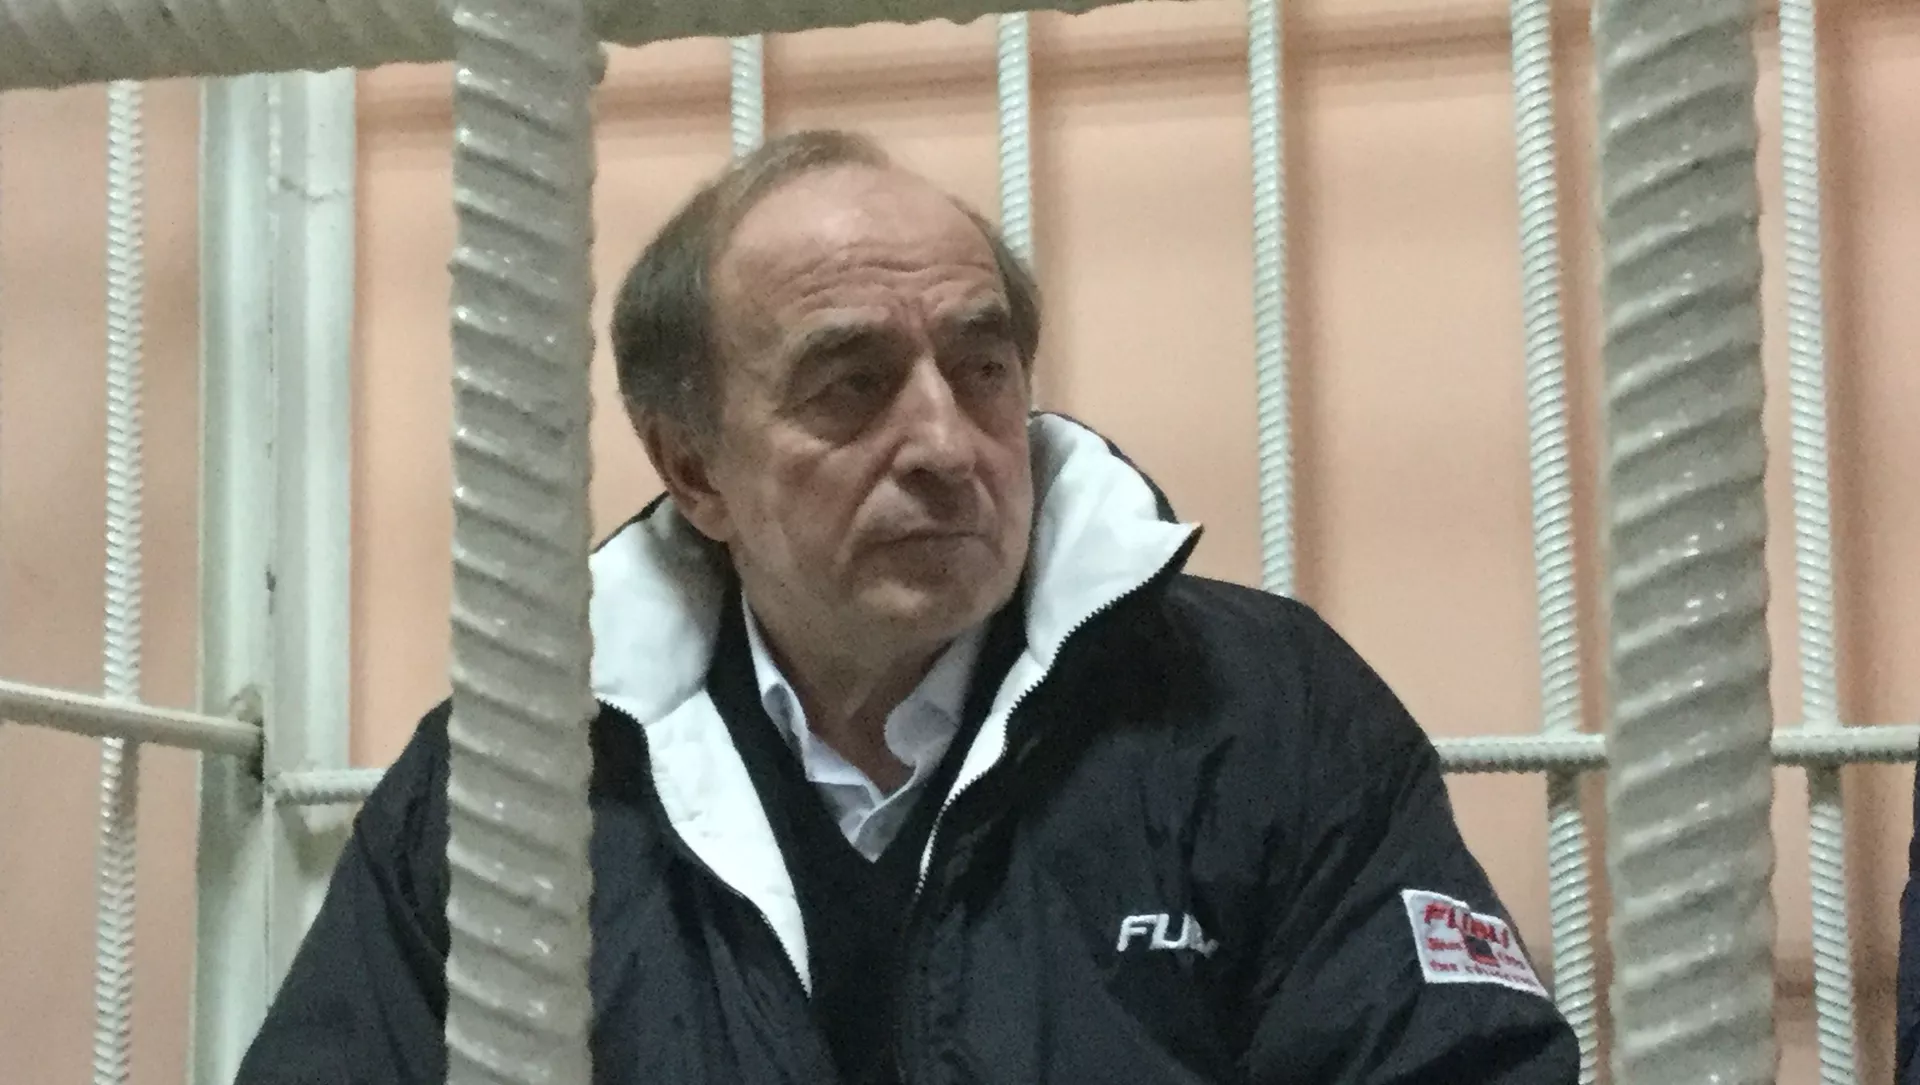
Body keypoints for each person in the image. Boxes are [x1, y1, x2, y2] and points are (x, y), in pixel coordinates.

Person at [236, 128, 1578, 1085]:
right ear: (693, 468)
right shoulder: (513, 777)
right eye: (850, 384)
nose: (945, 442)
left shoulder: (1262, 712)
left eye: (984, 368)